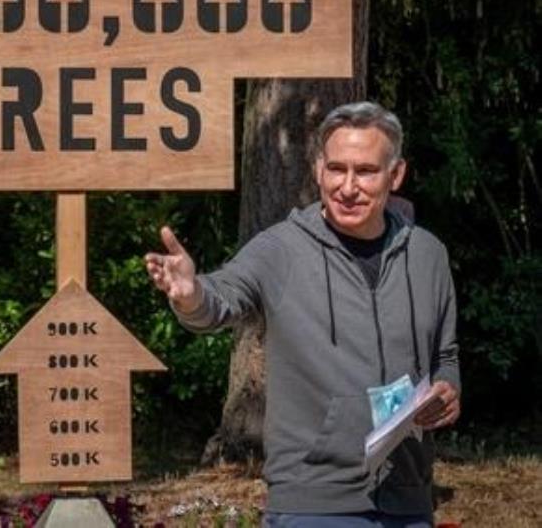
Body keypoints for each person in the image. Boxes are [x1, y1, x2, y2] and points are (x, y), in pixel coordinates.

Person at [145, 102, 460, 528]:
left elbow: (445, 357)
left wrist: (447, 393)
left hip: (408, 501)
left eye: (365, 171)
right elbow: (219, 302)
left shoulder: (428, 256)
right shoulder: (281, 249)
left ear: (396, 174)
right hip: (312, 501)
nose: (348, 186)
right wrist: (189, 293)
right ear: (317, 169)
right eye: (336, 169)